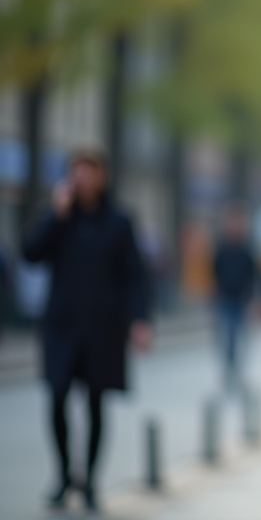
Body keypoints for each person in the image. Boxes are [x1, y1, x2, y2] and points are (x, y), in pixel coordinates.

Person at [22, 148, 152, 512]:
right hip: (62, 326)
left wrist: (140, 321)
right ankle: (64, 474)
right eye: (75, 172)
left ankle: (91, 480)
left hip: (103, 328)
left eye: (88, 172)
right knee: (57, 398)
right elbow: (30, 253)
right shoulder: (61, 219)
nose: (81, 179)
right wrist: (54, 215)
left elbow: (134, 276)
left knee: (96, 403)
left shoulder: (119, 222)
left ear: (102, 177)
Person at [211, 203, 258, 390]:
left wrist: (253, 298)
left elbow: (252, 274)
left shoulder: (246, 249)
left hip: (241, 300)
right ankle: (228, 369)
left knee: (240, 337)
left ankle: (237, 370)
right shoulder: (222, 248)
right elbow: (216, 271)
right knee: (227, 337)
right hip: (225, 299)